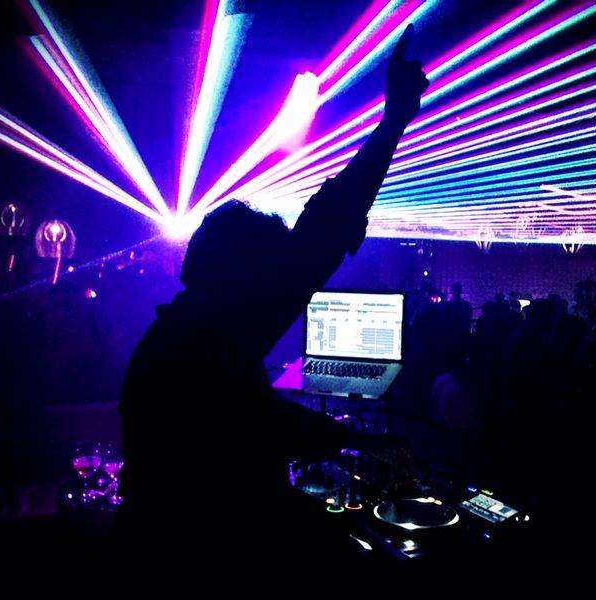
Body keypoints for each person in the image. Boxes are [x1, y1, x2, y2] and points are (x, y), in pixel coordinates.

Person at [115, 26, 428, 585]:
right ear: (240, 276)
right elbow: (261, 425)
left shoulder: (195, 332)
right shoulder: (196, 349)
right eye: (270, 272)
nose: (283, 286)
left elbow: (315, 242)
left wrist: (393, 123)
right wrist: (356, 442)